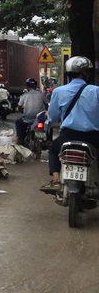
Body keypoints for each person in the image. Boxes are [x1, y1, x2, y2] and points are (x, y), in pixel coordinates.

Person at [42, 56, 99, 193]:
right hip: (92, 138)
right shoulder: (96, 91)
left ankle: (55, 177)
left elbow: (53, 117)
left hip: (67, 137)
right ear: (85, 73)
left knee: (53, 150)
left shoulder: (58, 91)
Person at [16, 77, 49, 145]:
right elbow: (46, 104)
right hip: (40, 118)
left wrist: (22, 111)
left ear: (27, 87)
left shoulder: (24, 95)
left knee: (18, 123)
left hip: (27, 118)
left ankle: (21, 139)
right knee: (48, 125)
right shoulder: (41, 94)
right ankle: (48, 139)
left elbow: (19, 107)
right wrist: (46, 111)